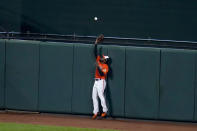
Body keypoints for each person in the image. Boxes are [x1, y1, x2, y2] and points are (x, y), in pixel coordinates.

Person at [92, 34, 109, 119]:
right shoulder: (98, 60)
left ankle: (105, 111)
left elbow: (102, 74)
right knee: (94, 96)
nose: (103, 58)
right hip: (96, 81)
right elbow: (95, 52)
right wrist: (96, 43)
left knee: (100, 95)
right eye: (103, 57)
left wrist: (98, 66)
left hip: (101, 81)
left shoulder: (106, 67)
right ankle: (95, 112)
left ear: (105, 60)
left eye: (104, 58)